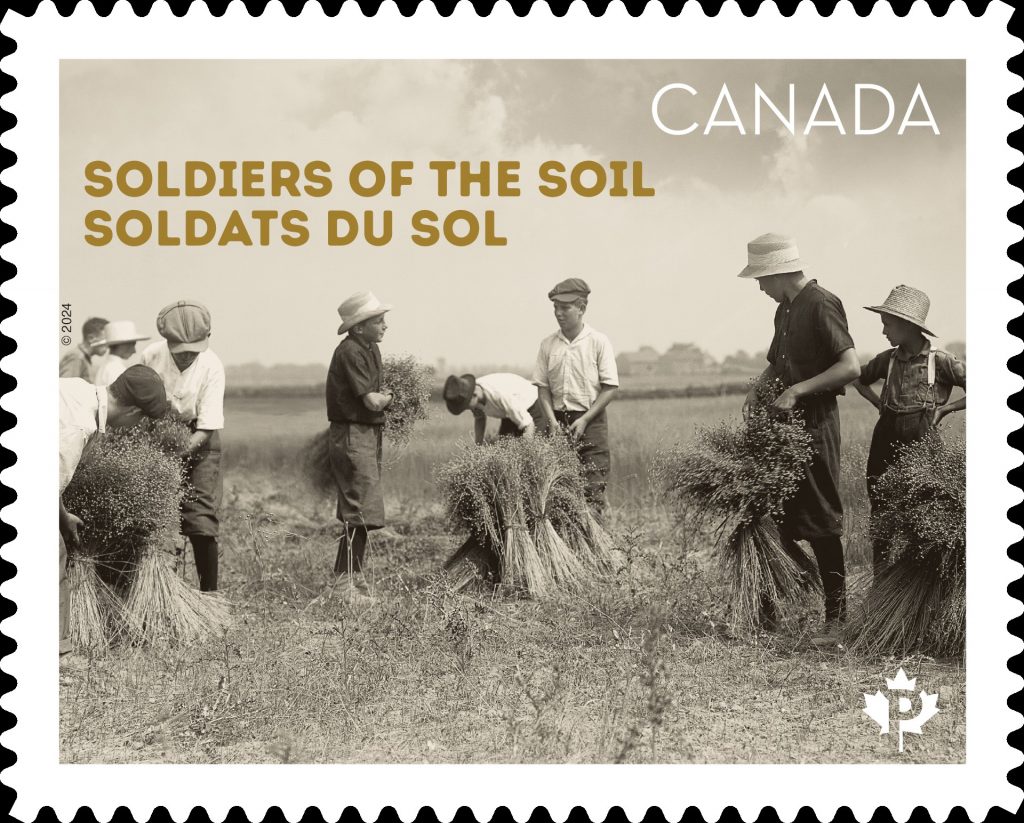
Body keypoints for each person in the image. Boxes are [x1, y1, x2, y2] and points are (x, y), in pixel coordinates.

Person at [738, 233, 861, 641]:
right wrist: (760, 387)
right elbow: (777, 363)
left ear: (777, 272)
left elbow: (850, 367)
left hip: (816, 425)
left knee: (822, 522)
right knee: (780, 519)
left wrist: (796, 391)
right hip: (785, 430)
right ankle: (779, 608)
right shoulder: (785, 310)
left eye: (760, 279)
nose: (759, 287)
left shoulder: (821, 303)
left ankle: (837, 618)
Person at [854, 285, 967, 576]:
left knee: (923, 506)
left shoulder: (940, 361)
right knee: (880, 505)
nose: (884, 332)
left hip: (921, 439)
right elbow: (858, 378)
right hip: (885, 436)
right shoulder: (887, 359)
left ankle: (919, 576)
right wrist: (877, 402)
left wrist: (944, 409)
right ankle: (881, 578)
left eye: (887, 324)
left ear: (908, 325)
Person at [59, 365, 170, 660]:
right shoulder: (79, 427)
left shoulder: (77, 389)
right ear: (134, 412)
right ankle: (59, 655)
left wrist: (64, 515)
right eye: (142, 421)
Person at [140, 301, 226, 592]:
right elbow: (137, 404)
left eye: (194, 349)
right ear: (167, 341)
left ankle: (209, 595)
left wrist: (179, 451)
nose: (188, 355)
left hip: (199, 439)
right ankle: (164, 589)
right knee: (159, 516)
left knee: (201, 517)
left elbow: (207, 425)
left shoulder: (212, 366)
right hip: (157, 434)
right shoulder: (151, 355)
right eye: (181, 350)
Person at [532, 278, 619, 513]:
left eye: (564, 308)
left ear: (581, 308)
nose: (558, 313)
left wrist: (585, 419)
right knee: (557, 493)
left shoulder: (598, 342)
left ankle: (594, 545)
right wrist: (551, 422)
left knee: (592, 492)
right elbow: (542, 388)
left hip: (590, 422)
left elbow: (610, 387)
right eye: (555, 308)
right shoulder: (548, 344)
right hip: (557, 423)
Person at [326, 290, 394, 586]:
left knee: (362, 507)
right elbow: (372, 402)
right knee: (359, 509)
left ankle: (353, 576)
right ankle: (344, 581)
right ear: (358, 327)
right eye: (378, 321)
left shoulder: (369, 348)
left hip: (366, 433)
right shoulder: (350, 352)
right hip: (353, 435)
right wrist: (392, 396)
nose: (384, 326)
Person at [443, 372, 547, 444]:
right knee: (504, 446)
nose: (467, 409)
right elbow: (479, 418)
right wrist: (478, 450)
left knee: (533, 448)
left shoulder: (501, 396)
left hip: (534, 406)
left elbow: (528, 425)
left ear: (474, 395)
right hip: (509, 412)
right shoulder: (475, 395)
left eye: (466, 406)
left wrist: (526, 454)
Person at [93, 320, 150, 386]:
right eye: (132, 345)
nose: (134, 351)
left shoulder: (105, 367)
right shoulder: (116, 370)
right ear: (123, 346)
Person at [59, 316, 109, 382]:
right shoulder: (76, 357)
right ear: (91, 338)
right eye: (105, 340)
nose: (109, 345)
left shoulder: (83, 358)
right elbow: (63, 387)